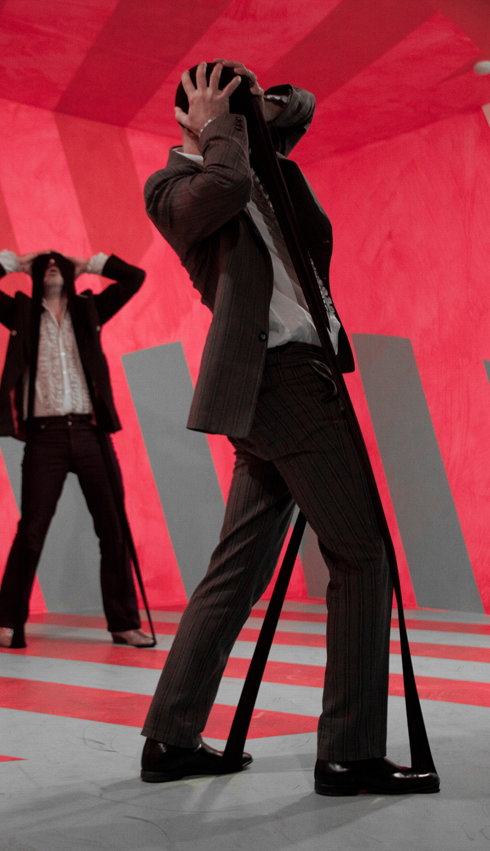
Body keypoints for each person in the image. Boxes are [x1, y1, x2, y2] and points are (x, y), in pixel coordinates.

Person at [138, 60, 440, 795]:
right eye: (222, 104)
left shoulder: (263, 171)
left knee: (237, 569)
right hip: (281, 379)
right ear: (188, 116)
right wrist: (215, 127)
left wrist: (253, 105)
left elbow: (302, 106)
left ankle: (171, 737)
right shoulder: (172, 187)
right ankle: (349, 754)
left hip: (291, 379)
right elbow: (222, 185)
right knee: (361, 554)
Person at [0, 249, 154, 649]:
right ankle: (10, 622)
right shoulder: (21, 313)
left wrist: (91, 264)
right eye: (44, 264)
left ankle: (123, 623)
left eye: (57, 263)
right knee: (32, 529)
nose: (51, 265)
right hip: (44, 436)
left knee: (113, 526)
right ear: (33, 274)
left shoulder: (90, 310)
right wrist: (14, 261)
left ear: (70, 272)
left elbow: (134, 278)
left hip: (89, 431)